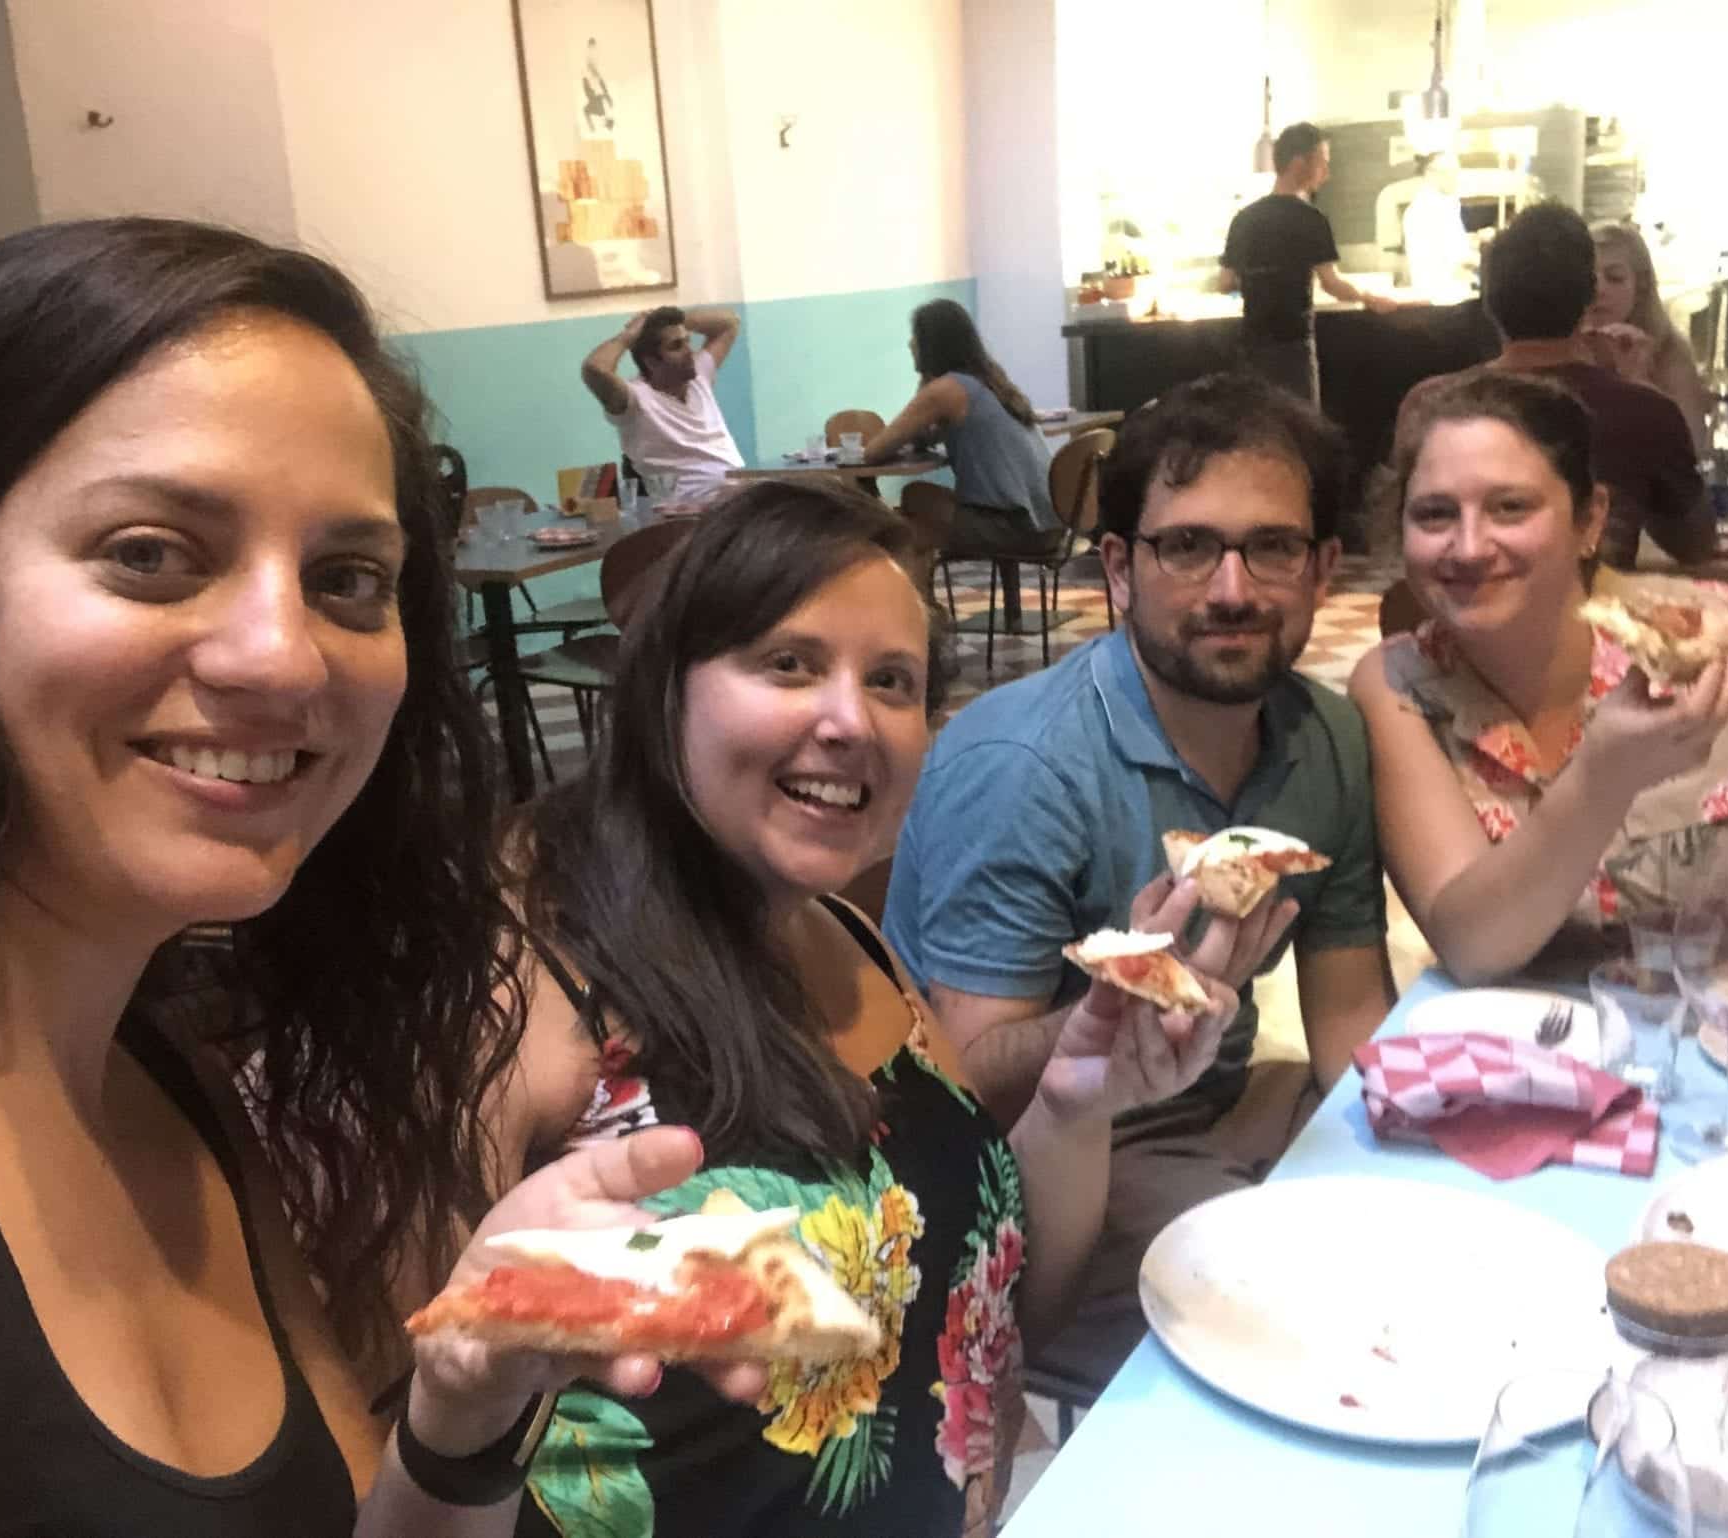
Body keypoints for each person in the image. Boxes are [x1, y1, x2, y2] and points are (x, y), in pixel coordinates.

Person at [0, 216, 759, 1535]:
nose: (282, 657)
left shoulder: (176, 1087)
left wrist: (463, 1408)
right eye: (150, 551)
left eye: (347, 578)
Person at [419, 479, 1239, 1537]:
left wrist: (1078, 1102)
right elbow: (412, 1441)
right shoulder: (525, 987)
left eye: (890, 680)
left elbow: (988, 1317)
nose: (850, 719)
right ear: (666, 687)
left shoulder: (850, 941)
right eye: (788, 663)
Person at [884, 374, 1396, 1392]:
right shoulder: (1026, 764)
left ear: (1324, 567)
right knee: (1326, 1343)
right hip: (1041, 1165)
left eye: (1273, 547)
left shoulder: (1324, 734)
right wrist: (1115, 1016)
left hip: (1221, 1111)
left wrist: (1414, 1162)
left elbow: (1348, 1020)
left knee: (1423, 1253)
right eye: (1187, 545)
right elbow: (965, 1079)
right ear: (1118, 567)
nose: (1231, 590)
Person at [1352, 370, 1728, 1000]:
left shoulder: (1721, 635)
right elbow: (1473, 946)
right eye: (1435, 514)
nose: (1468, 546)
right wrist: (1603, 775)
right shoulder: (1400, 685)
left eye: (1510, 507)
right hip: (1571, 1067)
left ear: (1589, 520)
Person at [1397, 202, 1713, 571]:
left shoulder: (1430, 404)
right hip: (1593, 620)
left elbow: (1400, 541)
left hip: (1457, 617)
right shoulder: (1644, 411)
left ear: (1489, 302)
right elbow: (1696, 546)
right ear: (1587, 298)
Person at [864, 297, 1058, 625]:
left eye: (916, 336)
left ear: (931, 342)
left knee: (910, 518)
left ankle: (916, 619)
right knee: (916, 511)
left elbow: (874, 451)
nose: (910, 344)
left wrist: (925, 384)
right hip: (1049, 522)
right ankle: (923, 612)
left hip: (1012, 527)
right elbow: (928, 435)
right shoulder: (990, 380)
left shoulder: (946, 390)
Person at [1218, 122, 1399, 400]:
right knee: (1301, 431)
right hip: (1293, 347)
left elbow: (1225, 282)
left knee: (1261, 427)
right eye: (1323, 162)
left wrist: (1260, 280)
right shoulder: (1310, 219)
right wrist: (1368, 298)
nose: (1326, 173)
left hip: (1252, 346)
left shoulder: (1244, 218)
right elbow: (1331, 284)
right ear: (1299, 163)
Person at [579, 305, 743, 501]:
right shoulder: (634, 400)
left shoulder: (699, 375)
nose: (689, 352)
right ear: (651, 362)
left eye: (687, 341)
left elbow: (729, 322)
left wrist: (667, 321)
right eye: (676, 346)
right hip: (690, 509)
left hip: (737, 493)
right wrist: (628, 336)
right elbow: (594, 368)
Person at [1587, 221, 1712, 454]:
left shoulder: (1670, 352)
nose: (1599, 290)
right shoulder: (1566, 347)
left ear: (1641, 285)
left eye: (1614, 278)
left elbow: (1690, 449)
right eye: (1589, 279)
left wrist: (1640, 385)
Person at [1402, 153, 1477, 296]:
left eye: (1456, 172)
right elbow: (1457, 262)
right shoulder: (1426, 210)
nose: (1456, 178)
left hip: (1448, 297)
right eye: (1450, 172)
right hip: (1442, 299)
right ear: (1430, 174)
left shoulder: (1443, 206)